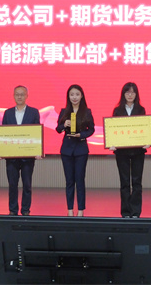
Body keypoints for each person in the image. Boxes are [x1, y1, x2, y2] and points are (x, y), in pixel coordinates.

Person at [110, 82, 148, 218]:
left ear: (136, 94)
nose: (130, 95)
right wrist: (112, 143)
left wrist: (147, 141)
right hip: (122, 152)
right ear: (123, 94)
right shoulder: (117, 110)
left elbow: (144, 128)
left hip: (138, 151)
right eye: (127, 92)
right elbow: (113, 129)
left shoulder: (141, 109)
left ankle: (136, 212)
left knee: (137, 182)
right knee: (124, 182)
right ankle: (126, 212)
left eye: (133, 92)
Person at [1, 85, 41, 216]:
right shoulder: (8, 113)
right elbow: (3, 134)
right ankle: (13, 211)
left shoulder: (34, 112)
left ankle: (25, 210)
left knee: (27, 185)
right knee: (12, 185)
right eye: (17, 94)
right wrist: (1, 151)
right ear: (13, 96)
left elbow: (36, 133)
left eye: (22, 94)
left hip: (27, 156)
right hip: (11, 156)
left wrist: (38, 150)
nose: (19, 96)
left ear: (27, 96)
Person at [56, 84, 95, 217]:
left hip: (81, 149)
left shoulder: (87, 112)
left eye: (77, 94)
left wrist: (81, 135)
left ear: (82, 96)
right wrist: (63, 125)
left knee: (80, 180)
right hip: (66, 150)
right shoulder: (64, 111)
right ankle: (70, 209)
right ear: (68, 96)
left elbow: (91, 129)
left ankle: (81, 210)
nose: (74, 97)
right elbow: (58, 129)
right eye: (72, 95)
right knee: (69, 181)